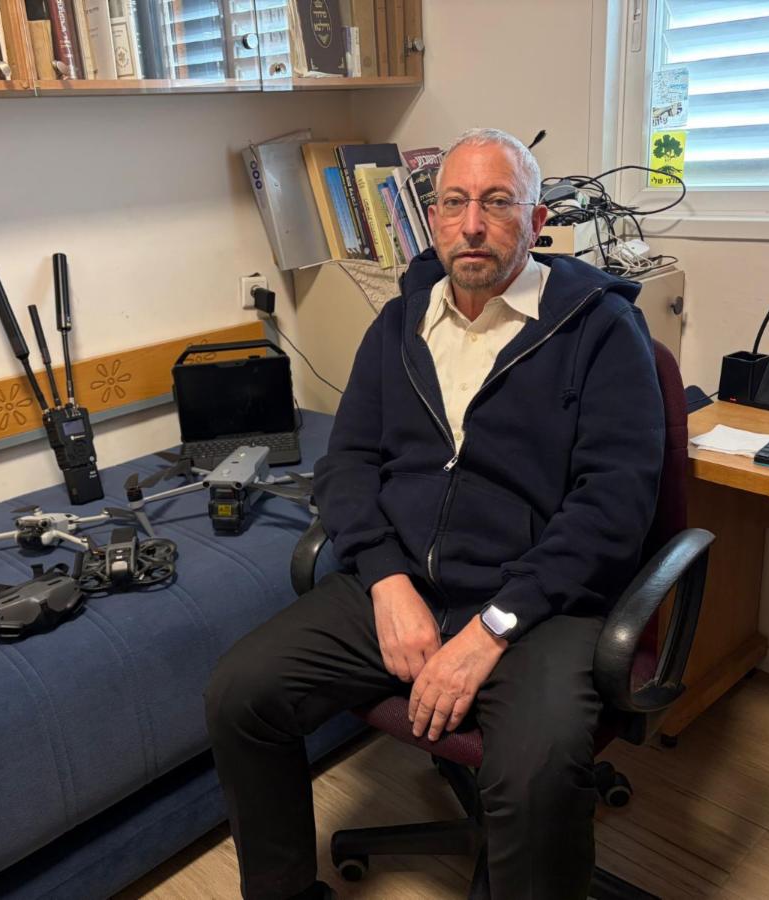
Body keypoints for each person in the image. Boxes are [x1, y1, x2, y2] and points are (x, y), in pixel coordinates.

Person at [205, 128, 665, 900]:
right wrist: (387, 581)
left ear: (537, 220)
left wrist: (492, 628)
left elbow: (613, 508)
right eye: (454, 203)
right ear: (433, 218)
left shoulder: (601, 330)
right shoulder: (399, 324)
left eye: (497, 202)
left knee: (537, 772)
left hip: (541, 606)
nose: (472, 224)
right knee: (240, 693)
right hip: (407, 585)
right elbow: (347, 465)